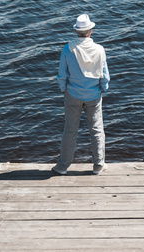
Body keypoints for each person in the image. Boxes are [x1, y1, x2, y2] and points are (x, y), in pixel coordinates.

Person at [52, 14, 110, 175]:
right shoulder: (99, 49)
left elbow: (62, 74)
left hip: (72, 94)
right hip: (93, 95)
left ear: (77, 31)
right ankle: (98, 164)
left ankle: (63, 166)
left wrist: (63, 88)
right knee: (97, 129)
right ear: (90, 31)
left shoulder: (68, 48)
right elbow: (105, 76)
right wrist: (102, 89)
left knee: (70, 130)